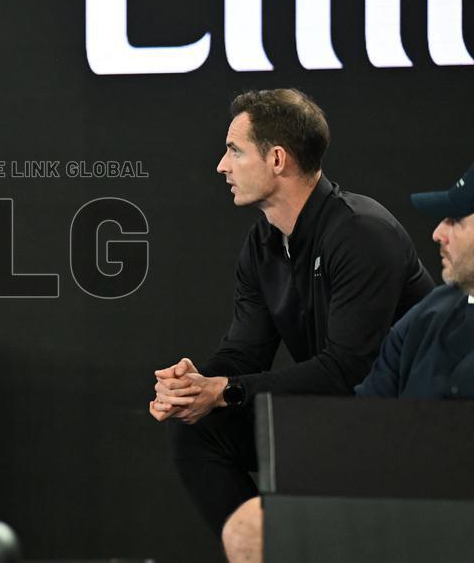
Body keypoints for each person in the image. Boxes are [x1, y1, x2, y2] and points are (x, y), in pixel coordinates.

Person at [148, 89, 434, 536]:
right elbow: (244, 353)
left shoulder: (361, 233)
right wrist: (197, 387)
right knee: (201, 429)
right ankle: (268, 550)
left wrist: (226, 390)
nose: (221, 166)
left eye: (234, 150)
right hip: (339, 420)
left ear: (277, 159)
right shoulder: (262, 244)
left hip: (411, 427)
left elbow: (348, 372)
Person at [221, 160, 474, 563]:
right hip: (405, 493)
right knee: (251, 529)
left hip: (447, 503)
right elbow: (366, 420)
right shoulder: (430, 314)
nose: (437, 234)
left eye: (456, 220)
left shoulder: (360, 231)